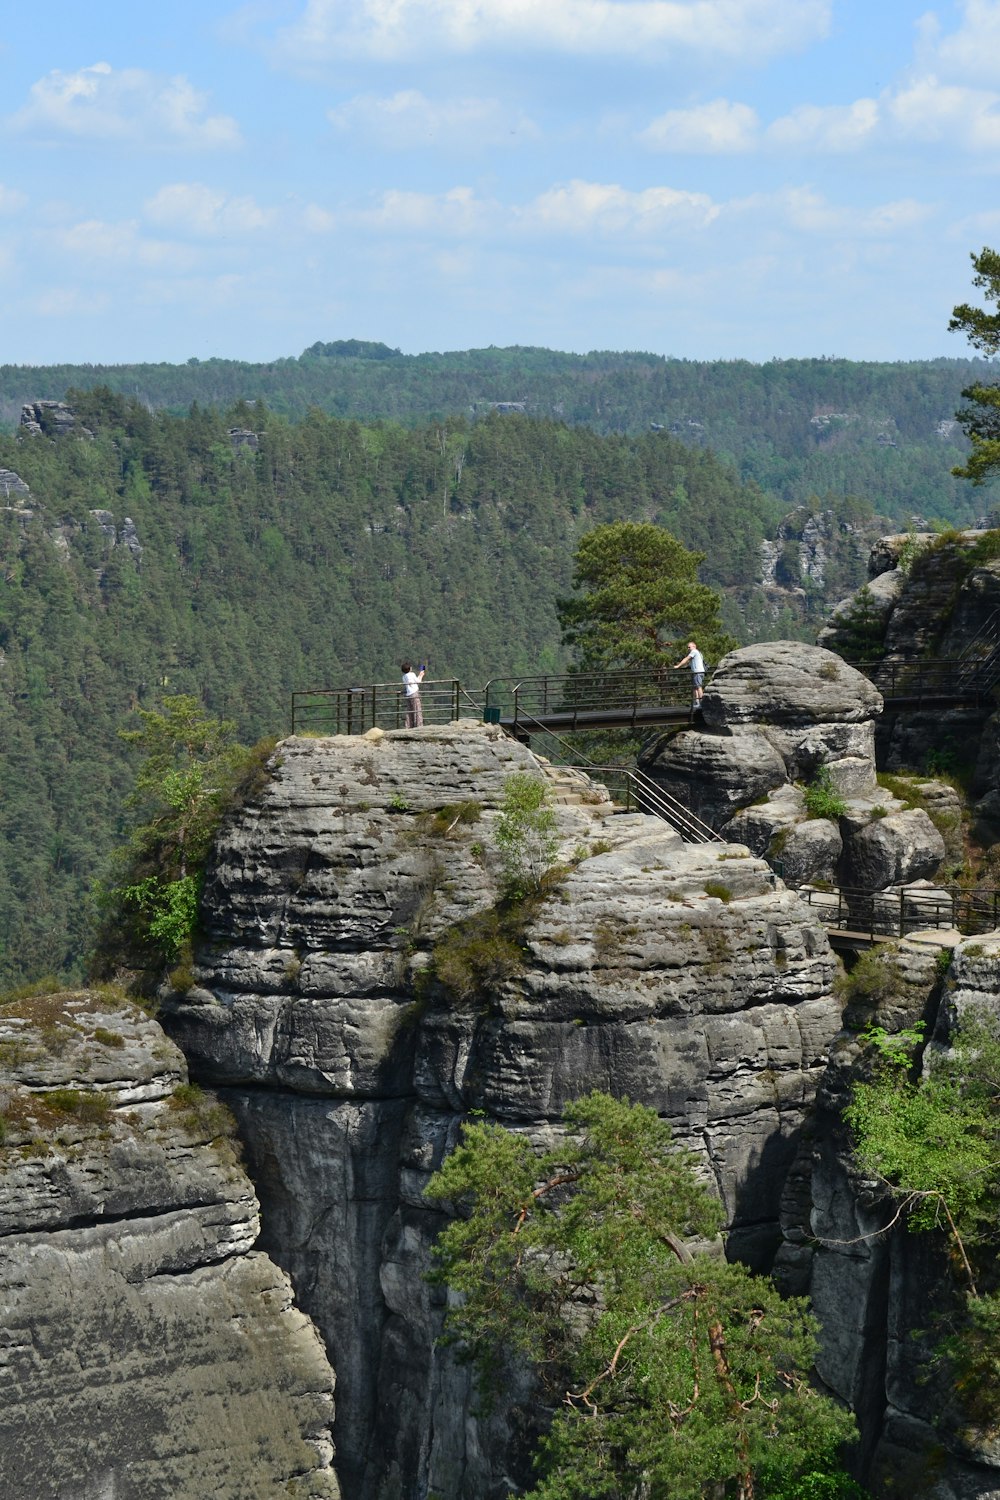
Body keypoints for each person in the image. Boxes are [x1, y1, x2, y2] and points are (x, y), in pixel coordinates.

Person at [673, 641, 705, 707]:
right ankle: (697, 702)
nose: (688, 649)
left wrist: (678, 666)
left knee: (698, 687)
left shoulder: (694, 651)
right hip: (699, 672)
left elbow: (686, 659)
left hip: (697, 672)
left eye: (689, 647)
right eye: (688, 647)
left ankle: (702, 703)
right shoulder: (699, 653)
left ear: (694, 646)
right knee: (695, 687)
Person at [400, 659, 426, 727]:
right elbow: (418, 681)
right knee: (417, 710)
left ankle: (408, 725)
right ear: (409, 668)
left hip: (408, 695)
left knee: (410, 711)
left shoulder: (403, 677)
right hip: (414, 694)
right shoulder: (412, 674)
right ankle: (419, 725)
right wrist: (421, 675)